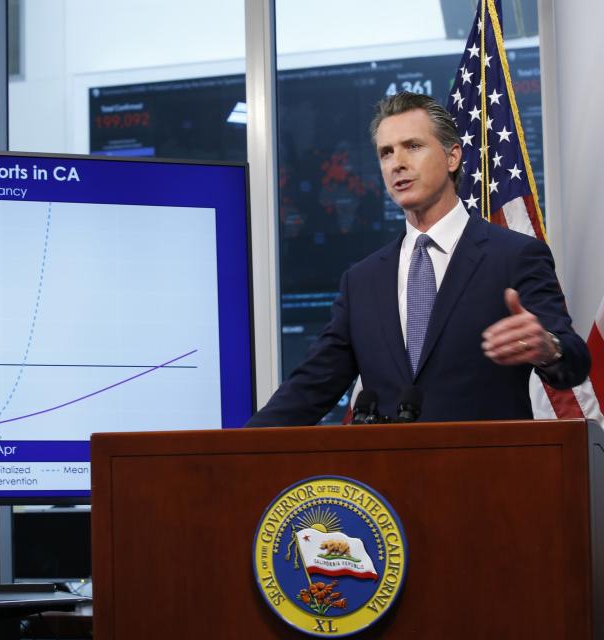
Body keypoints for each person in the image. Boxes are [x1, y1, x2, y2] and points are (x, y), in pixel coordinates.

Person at [246, 92, 590, 427]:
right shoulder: (362, 281)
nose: (397, 163)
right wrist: (232, 453)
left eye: (412, 146)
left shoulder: (514, 256)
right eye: (386, 153)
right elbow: (310, 388)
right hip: (386, 480)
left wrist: (550, 348)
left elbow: (574, 361)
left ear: (452, 157)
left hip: (487, 475)